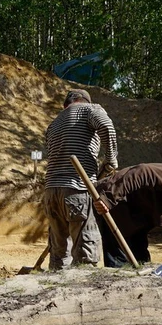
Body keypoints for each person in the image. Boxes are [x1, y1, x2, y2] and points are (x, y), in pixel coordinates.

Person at [43, 89, 118, 269]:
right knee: (85, 255)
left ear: (65, 105)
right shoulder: (89, 109)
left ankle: (56, 292)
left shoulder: (54, 124)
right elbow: (107, 127)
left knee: (59, 254)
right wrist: (111, 161)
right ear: (84, 100)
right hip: (77, 189)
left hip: (51, 192)